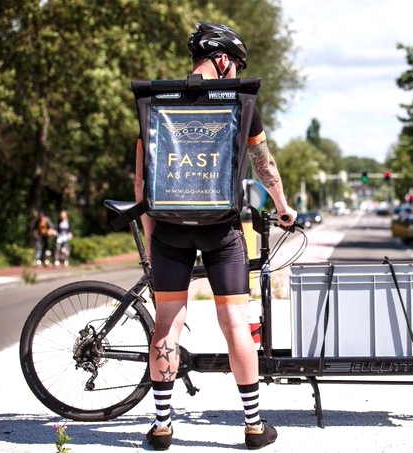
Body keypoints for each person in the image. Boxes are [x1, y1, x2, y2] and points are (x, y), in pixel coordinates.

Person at [134, 22, 296, 451]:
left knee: (168, 324)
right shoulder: (238, 101)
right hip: (222, 230)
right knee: (235, 323)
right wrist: (281, 206)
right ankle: (254, 426)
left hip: (169, 229)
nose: (236, 70)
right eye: (236, 63)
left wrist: (152, 238)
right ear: (223, 59)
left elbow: (143, 183)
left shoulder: (156, 101)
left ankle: (163, 426)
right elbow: (263, 163)